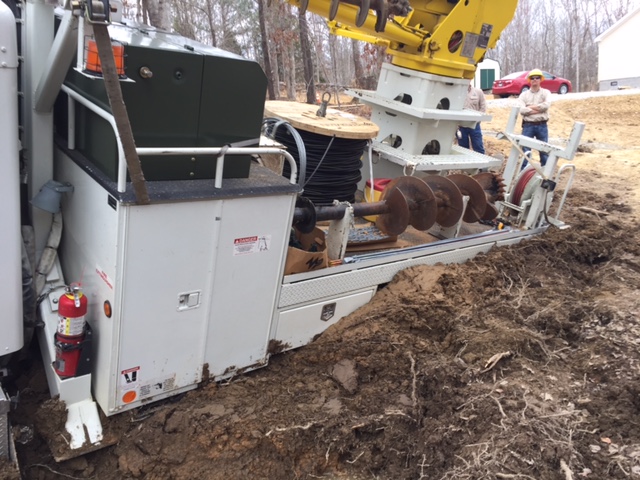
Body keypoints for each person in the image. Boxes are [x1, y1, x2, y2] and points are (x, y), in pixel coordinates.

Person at [518, 69, 551, 168]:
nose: (535, 80)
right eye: (532, 78)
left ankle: (545, 175)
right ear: (529, 80)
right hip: (528, 126)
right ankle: (522, 174)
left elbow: (546, 106)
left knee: (544, 151)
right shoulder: (524, 95)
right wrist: (539, 109)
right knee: (525, 151)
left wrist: (529, 107)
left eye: (537, 78)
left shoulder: (546, 93)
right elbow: (522, 110)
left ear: (541, 79)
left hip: (542, 125)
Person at [458, 83, 487, 154]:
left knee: (478, 148)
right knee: (463, 150)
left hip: (475, 126)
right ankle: (466, 165)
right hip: (461, 126)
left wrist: (478, 120)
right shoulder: (456, 93)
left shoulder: (478, 92)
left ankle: (481, 165)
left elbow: (483, 106)